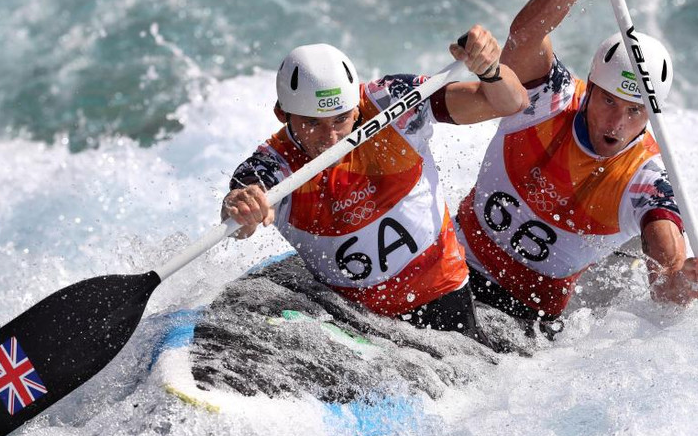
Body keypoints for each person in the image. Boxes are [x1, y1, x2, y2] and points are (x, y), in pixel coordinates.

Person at [455, 0, 698, 340]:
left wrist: (688, 283)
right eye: (608, 102)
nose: (616, 124)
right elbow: (523, 40)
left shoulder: (647, 184)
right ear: (590, 90)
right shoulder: (551, 99)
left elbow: (666, 288)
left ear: (651, 116)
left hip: (522, 317)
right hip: (449, 261)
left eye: (635, 111)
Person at [222, 25, 529, 346]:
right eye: (312, 123)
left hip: (441, 301)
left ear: (356, 105)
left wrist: (491, 70)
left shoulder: (391, 104)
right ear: (281, 114)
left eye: (341, 119)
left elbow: (509, 103)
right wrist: (242, 208)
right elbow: (238, 218)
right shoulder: (272, 166)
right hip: (352, 320)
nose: (330, 139)